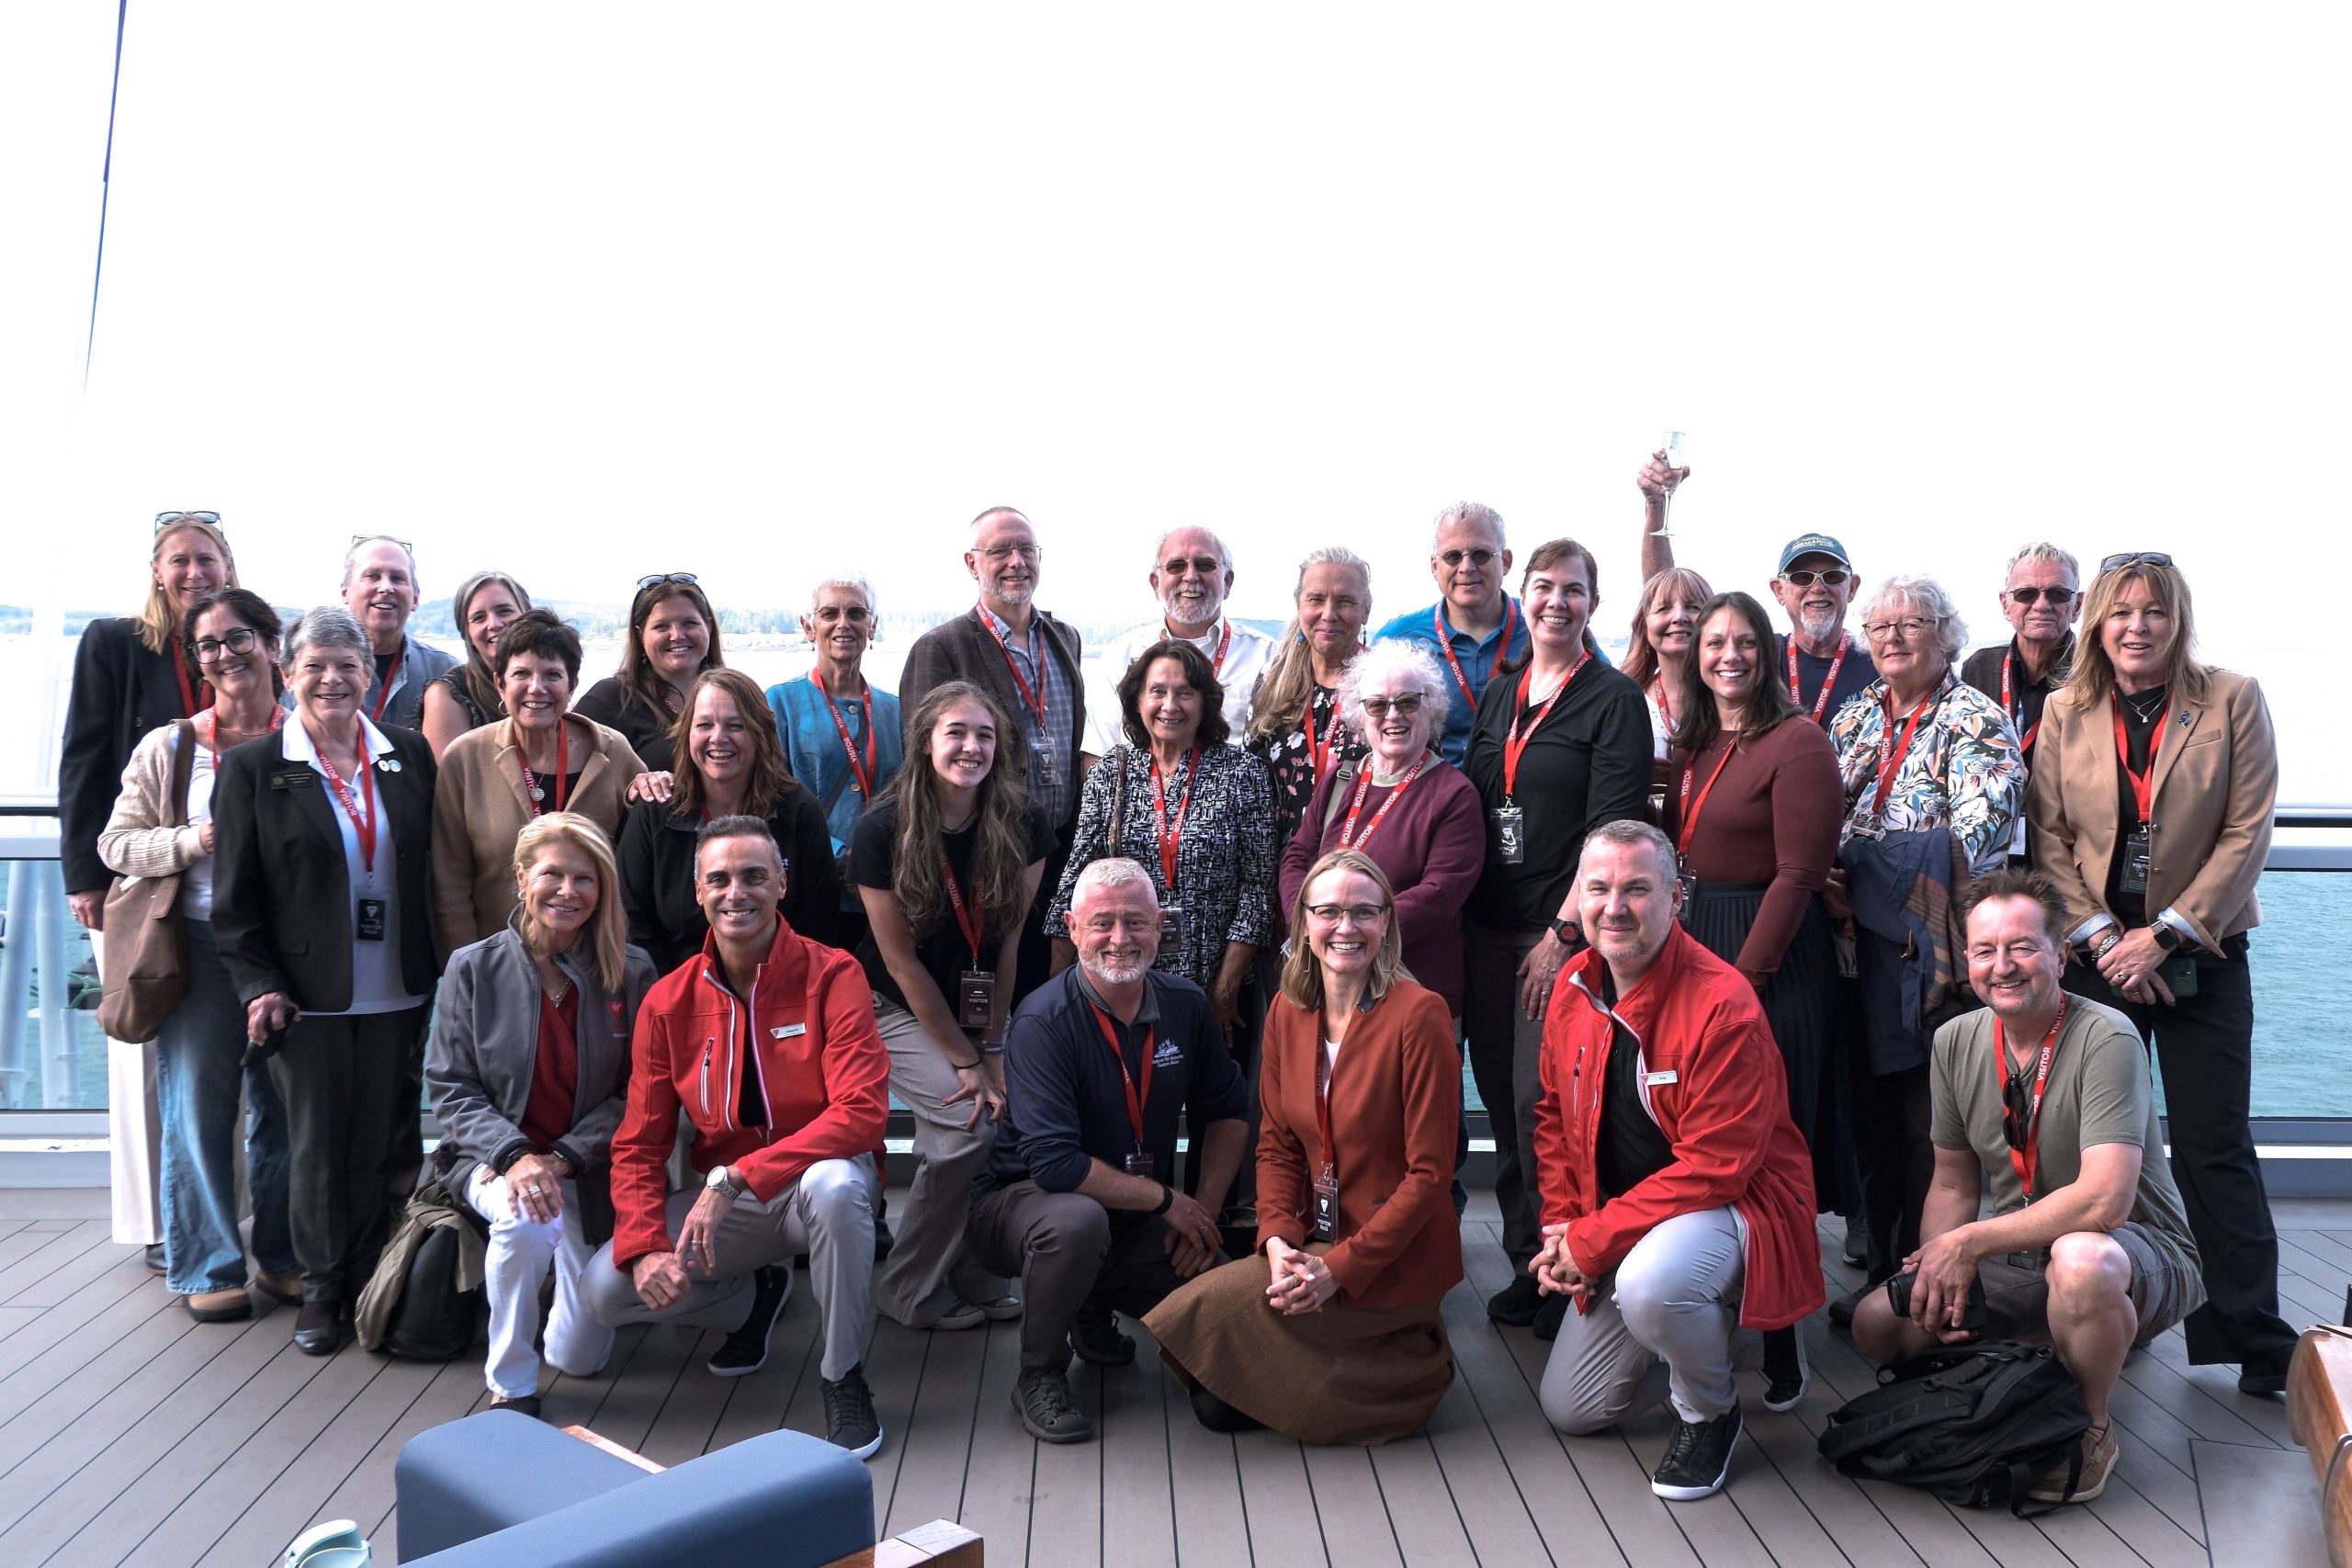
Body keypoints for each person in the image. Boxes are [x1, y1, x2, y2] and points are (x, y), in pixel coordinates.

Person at [2027, 551, 2296, 1396]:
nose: (2137, 626)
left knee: (2214, 1147)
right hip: (2101, 960)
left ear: (2177, 619)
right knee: (2085, 1148)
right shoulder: (2066, 710)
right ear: (2097, 624)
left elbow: (2248, 830)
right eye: (2120, 612)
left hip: (2203, 958)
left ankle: (2253, 1338)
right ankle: (2095, 1311)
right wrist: (2110, 939)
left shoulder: (2232, 696)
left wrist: (2167, 937)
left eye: (2153, 611)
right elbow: (2050, 836)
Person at [1852, 871, 2203, 1506]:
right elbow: (1953, 1182)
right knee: (1879, 1323)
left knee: (2081, 1261)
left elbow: (2105, 1202)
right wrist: (1943, 1272)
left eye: (2021, 947)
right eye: (1985, 950)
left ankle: (2090, 1425)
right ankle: (2063, 1342)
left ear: (2059, 955)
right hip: (2021, 1254)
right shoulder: (1954, 1040)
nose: (2002, 965)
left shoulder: (2107, 1036)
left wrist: (1969, 1244)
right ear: (1968, 960)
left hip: (2135, 1248)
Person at [1531, 821, 1823, 1503]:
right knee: (1574, 1408)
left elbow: (1717, 1166)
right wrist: (1564, 1226)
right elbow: (1551, 1116)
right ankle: (1748, 1327)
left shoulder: (1722, 1002)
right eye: (1598, 889)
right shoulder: (1575, 983)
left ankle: (1710, 1411)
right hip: (1632, 1218)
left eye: (1638, 888)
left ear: (1676, 896)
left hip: (1736, 1201)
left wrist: (1593, 1239)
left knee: (1653, 1284)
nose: (1615, 907)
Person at [585, 816, 889, 1457]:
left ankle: (842, 1374)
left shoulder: (833, 975)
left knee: (835, 1186)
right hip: (737, 1206)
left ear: (782, 882)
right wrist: (643, 1246)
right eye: (718, 878)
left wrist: (736, 1176)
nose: (736, 893)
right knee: (605, 1290)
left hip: (812, 1184)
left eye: (754, 876)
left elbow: (861, 1113)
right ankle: (753, 1295)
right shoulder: (668, 1002)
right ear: (698, 890)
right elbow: (639, 1141)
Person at [1148, 851, 1462, 1443]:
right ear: (1305, 925)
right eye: (1330, 912)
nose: (1347, 928)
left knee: (1215, 1354)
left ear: (1387, 924)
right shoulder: (1288, 1010)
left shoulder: (1420, 1015)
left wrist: (1337, 1271)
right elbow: (1277, 1146)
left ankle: (1411, 1366)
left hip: (1391, 1255)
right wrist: (1274, 1240)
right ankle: (1362, 1364)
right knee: (1213, 1395)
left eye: (1365, 913)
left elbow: (1430, 1177)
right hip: (1315, 1236)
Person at [211, 606, 440, 1356]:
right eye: (315, 666)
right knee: (315, 1146)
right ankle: (321, 1289)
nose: (332, 679)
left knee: (381, 1141)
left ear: (368, 675)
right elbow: (234, 904)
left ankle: (374, 1277)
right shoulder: (253, 767)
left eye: (347, 665)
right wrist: (259, 986)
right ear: (289, 673)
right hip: (305, 998)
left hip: (398, 985)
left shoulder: (407, 754)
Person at [967, 858, 1250, 1445]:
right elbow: (1056, 1165)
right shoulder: (1043, 1020)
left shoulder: (1187, 1004)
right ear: (1071, 928)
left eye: (1136, 923)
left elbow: (1227, 1111)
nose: (1120, 939)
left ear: (1160, 927)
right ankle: (1038, 1374)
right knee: (1077, 1222)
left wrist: (1202, 1210)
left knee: (1231, 1381)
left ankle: (1089, 1300)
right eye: (1102, 923)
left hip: (1139, 1211)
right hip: (1024, 1206)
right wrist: (1168, 1201)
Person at [1463, 538, 1651, 1337]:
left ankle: (1571, 1266)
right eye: (1543, 587)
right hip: (1486, 929)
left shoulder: (1611, 699)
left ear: (1593, 606)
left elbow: (1611, 831)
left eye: (1573, 591)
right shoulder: (1502, 694)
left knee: (1550, 1105)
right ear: (1522, 593)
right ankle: (1524, 1263)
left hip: (1557, 936)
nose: (1556, 603)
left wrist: (1561, 931)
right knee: (1506, 1109)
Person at [96, 588, 296, 1321]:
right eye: (209, 645)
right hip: (202, 944)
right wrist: (193, 840)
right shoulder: (171, 746)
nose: (226, 655)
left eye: (240, 638)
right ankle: (207, 1261)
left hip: (291, 949)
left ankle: (282, 1254)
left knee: (284, 1113)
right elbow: (115, 843)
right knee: (198, 1108)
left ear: (273, 645)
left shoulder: (310, 733)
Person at [1828, 575, 2026, 1288]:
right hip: (1851, 954)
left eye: (1912, 624)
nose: (1892, 637)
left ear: (1946, 636)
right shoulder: (1852, 717)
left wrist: (1855, 872)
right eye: (1879, 626)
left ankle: (1930, 1289)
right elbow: (1820, 814)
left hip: (1930, 965)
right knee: (1871, 1131)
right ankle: (1884, 1283)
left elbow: (1975, 841)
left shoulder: (1975, 719)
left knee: (1927, 1136)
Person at [425, 813, 657, 1416]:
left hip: (584, 1165)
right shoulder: (472, 967)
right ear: (523, 877)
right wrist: (515, 1156)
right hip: (492, 1160)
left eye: (586, 878)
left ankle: (538, 1290)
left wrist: (562, 1156)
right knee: (526, 1221)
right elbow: (448, 1087)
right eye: (553, 873)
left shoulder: (629, 971)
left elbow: (642, 1091)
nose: (569, 890)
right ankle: (511, 1381)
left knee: (580, 1355)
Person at [62, 511, 241, 1257]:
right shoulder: (113, 642)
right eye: (179, 560)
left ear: (229, 567)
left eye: (207, 559)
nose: (194, 572)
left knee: (208, 1069)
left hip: (225, 892)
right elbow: (83, 759)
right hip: (136, 884)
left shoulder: (240, 644)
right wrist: (86, 877)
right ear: (156, 571)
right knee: (144, 1056)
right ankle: (161, 1227)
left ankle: (221, 1218)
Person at [848, 681, 1051, 1330]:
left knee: (998, 1119)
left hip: (980, 1006)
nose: (971, 746)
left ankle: (966, 1268)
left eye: (984, 734)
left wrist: (994, 1047)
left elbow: (1009, 947)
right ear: (927, 742)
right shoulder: (882, 828)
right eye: (956, 732)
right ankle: (907, 1287)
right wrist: (968, 1063)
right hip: (888, 1004)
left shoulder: (1024, 823)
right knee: (968, 1123)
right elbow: (902, 963)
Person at [1661, 591, 1844, 1170]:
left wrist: (1745, 980)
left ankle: (1783, 1259)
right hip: (1693, 936)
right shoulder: (1696, 742)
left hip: (1766, 946)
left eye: (1745, 642)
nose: (1729, 655)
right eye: (1715, 643)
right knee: (1697, 1122)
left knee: (1764, 1131)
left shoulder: (1800, 741)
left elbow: (1799, 875)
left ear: (1767, 654)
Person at [899, 507, 1087, 999]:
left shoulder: (1065, 638)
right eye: (1000, 550)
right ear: (971, 563)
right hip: (986, 855)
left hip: (1054, 852)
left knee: (1050, 989)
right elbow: (920, 764)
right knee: (996, 988)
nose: (1016, 561)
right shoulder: (941, 648)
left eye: (1026, 548)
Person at [1049, 639, 1275, 1031]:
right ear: (1137, 700)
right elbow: (1076, 879)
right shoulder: (1110, 773)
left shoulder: (1244, 773)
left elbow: (1257, 889)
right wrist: (1056, 990)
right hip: (1121, 975)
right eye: (1158, 691)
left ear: (1205, 701)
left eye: (1185, 692)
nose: (1170, 705)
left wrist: (1224, 990)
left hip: (1214, 982)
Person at [1277, 638, 1483, 1019]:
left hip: (1412, 994)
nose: (1393, 715)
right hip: (1329, 985)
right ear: (1360, 713)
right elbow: (1296, 857)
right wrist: (1307, 923)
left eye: (1408, 702)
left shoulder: (1454, 794)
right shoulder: (1340, 780)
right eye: (1377, 704)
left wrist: (1348, 929)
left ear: (1431, 708)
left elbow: (1440, 894)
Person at [433, 611, 649, 961]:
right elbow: (449, 882)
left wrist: (657, 781)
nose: (537, 687)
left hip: (593, 962)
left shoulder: (611, 750)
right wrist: (466, 967)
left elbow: (646, 842)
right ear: (500, 683)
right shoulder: (465, 758)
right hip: (497, 962)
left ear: (572, 685)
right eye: (521, 673)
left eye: (552, 675)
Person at [622, 667, 841, 970]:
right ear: (687, 733)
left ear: (759, 733)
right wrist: (679, 994)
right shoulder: (655, 810)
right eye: (704, 725)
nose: (718, 738)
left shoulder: (797, 810)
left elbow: (819, 924)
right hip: (676, 990)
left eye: (735, 726)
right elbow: (633, 923)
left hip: (781, 986)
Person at [767, 574, 904, 949]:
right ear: (809, 628)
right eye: (829, 613)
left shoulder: (894, 710)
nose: (843, 623)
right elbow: (767, 796)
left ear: (872, 626)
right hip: (809, 887)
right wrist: (841, 855)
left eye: (856, 613)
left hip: (882, 890)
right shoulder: (779, 704)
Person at [1082, 526, 1282, 753]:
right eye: (1176, 566)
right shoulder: (1120, 656)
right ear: (1155, 583)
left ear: (1227, 581)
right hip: (1140, 789)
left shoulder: (1267, 657)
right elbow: (1097, 754)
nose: (1190, 576)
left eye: (1205, 565)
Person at [1371, 502, 1531, 765]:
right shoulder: (1399, 641)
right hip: (1435, 800)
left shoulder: (1540, 628)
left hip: (1520, 798)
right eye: (1453, 556)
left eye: (1480, 554)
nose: (1466, 567)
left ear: (1506, 561)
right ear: (1435, 566)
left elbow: (1601, 691)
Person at [1248, 547, 1374, 847]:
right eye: (1316, 599)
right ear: (1299, 605)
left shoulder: (1388, 683)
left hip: (1361, 870)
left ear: (1366, 610)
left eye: (1345, 601)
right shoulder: (1272, 680)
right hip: (1281, 867)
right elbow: (1252, 781)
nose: (1328, 614)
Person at [1960, 544, 2081, 856]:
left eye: (2057, 594)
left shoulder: (2097, 674)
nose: (2041, 605)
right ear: (2006, 603)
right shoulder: (1980, 668)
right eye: (2026, 594)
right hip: (1992, 842)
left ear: (2077, 605)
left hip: (2069, 844)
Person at [573, 572, 724, 769]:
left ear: (709, 627)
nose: (677, 635)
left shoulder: (734, 698)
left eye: (689, 623)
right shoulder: (609, 700)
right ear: (640, 635)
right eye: (661, 626)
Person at [338, 535, 459, 734]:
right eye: (372, 576)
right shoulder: (311, 673)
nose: (386, 587)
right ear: (345, 591)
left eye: (397, 578)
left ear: (416, 597)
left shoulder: (445, 673)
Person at [420, 570, 531, 759]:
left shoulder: (545, 684)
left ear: (527, 616)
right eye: (479, 618)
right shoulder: (448, 695)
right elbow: (451, 784)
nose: (494, 624)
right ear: (468, 634)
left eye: (504, 611)